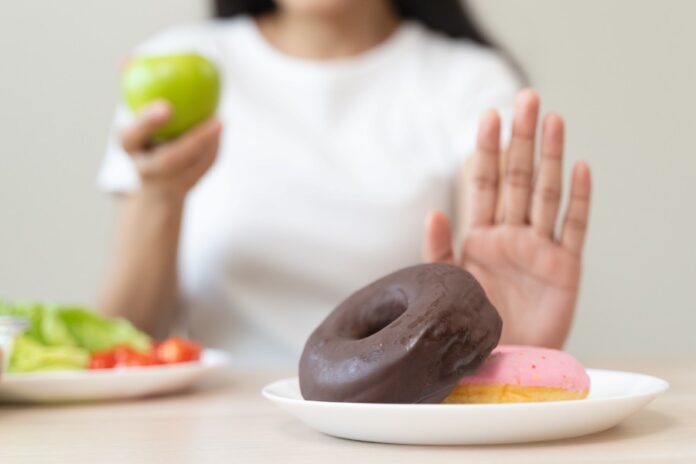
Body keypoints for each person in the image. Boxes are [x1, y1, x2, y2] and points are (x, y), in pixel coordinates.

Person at [97, 0, 592, 366]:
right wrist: (160, 197)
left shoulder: (470, 81)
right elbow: (126, 341)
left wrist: (506, 345)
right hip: (214, 435)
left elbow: (493, 312)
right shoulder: (178, 60)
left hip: (396, 429)